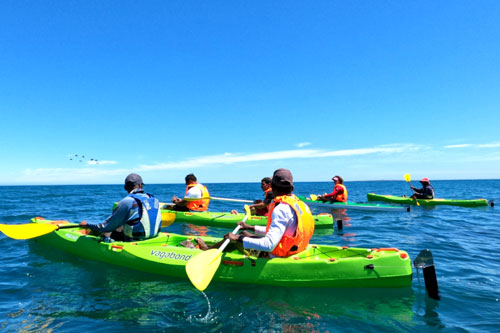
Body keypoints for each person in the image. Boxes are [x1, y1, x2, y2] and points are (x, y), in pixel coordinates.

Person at [224, 168, 315, 258]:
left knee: (233, 240)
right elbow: (280, 231)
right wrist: (249, 227)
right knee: (244, 232)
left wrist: (237, 238)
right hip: (296, 249)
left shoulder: (281, 208)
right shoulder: (301, 205)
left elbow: (268, 245)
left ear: (272, 188)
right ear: (292, 188)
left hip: (276, 255)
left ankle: (209, 250)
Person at [80, 173, 162, 242]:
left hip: (134, 240)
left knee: (101, 231)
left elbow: (106, 226)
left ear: (125, 188)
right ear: (141, 185)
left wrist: (88, 224)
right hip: (152, 238)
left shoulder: (127, 201)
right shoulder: (155, 200)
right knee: (121, 225)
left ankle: (85, 240)